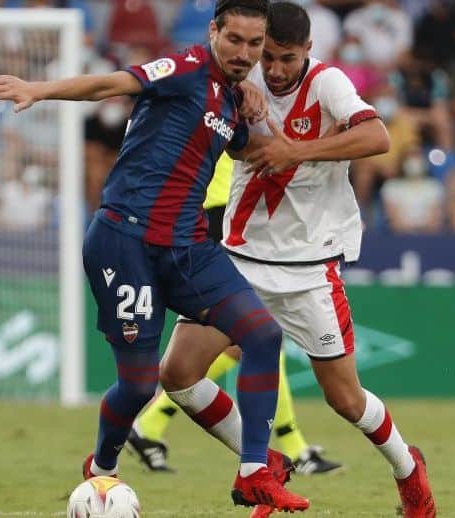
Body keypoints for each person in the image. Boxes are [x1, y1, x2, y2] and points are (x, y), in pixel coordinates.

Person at [0, 0, 311, 512]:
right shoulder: (183, 70)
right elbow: (111, 83)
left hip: (187, 246)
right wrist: (38, 89)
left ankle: (254, 472)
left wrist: (267, 119)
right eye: (235, 40)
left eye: (255, 44)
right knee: (136, 386)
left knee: (263, 335)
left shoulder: (230, 100)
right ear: (213, 31)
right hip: (125, 241)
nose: (245, 53)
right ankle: (102, 471)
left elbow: (255, 151)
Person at [153, 3, 435, 517]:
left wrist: (295, 151)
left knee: (346, 401)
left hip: (310, 269)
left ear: (308, 50)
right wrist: (243, 92)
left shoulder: (328, 85)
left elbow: (378, 137)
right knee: (178, 374)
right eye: (268, 57)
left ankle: (408, 470)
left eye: (286, 58)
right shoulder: (242, 79)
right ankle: (263, 465)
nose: (275, 69)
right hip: (239, 261)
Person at [128, 151, 343, 476]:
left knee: (248, 340)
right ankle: (295, 449)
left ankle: (149, 427)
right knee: (259, 335)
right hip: (227, 216)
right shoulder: (232, 104)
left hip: (221, 213)